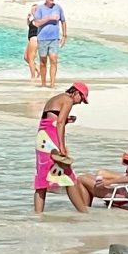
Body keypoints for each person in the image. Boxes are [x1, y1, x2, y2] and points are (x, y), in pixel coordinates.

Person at [34, 82, 91, 214]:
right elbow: (59, 124)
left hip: (42, 139)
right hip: (51, 141)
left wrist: (66, 120)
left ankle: (37, 217)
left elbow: (50, 120)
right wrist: (62, 146)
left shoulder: (56, 98)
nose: (80, 102)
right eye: (82, 99)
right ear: (76, 92)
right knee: (69, 177)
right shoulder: (68, 100)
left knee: (42, 180)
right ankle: (84, 214)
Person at [31, 0, 68, 88]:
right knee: (43, 61)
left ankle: (52, 84)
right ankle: (43, 84)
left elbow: (63, 21)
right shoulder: (40, 9)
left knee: (54, 60)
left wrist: (64, 35)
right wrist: (48, 18)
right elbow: (37, 23)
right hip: (42, 38)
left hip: (54, 38)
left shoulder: (58, 7)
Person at [24, 4, 39, 80]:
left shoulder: (39, 19)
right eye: (32, 9)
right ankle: (38, 69)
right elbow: (30, 26)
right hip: (31, 39)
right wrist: (28, 19)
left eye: (34, 10)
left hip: (34, 39)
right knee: (26, 57)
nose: (32, 11)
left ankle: (33, 77)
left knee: (31, 59)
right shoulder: (33, 20)